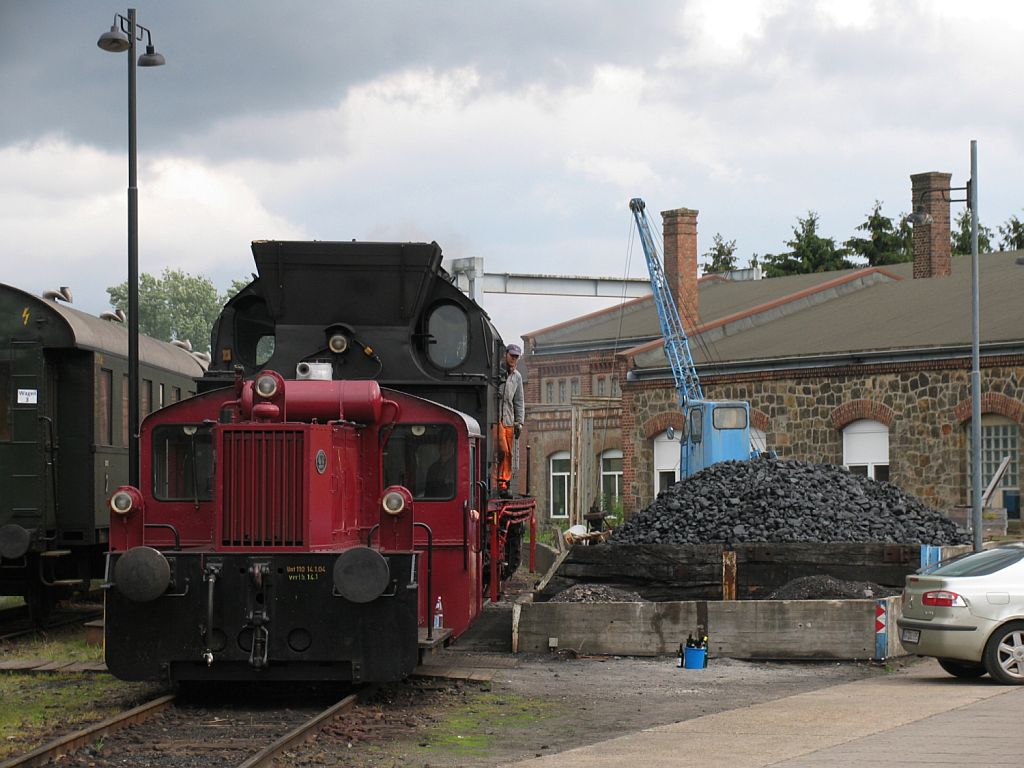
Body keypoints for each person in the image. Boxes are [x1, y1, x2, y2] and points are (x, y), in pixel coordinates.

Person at [494, 343, 524, 497]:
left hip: (509, 419)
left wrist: (519, 421)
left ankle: (504, 483)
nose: (514, 359)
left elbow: (518, 401)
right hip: (496, 416)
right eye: (512, 355)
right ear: (505, 354)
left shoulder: (517, 377)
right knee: (503, 450)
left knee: (509, 453)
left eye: (516, 357)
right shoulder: (496, 371)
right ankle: (498, 480)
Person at [424, 432, 456, 498]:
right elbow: (428, 492)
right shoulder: (433, 468)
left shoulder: (457, 466)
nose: (442, 446)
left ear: (452, 445)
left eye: (445, 443)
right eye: (440, 444)